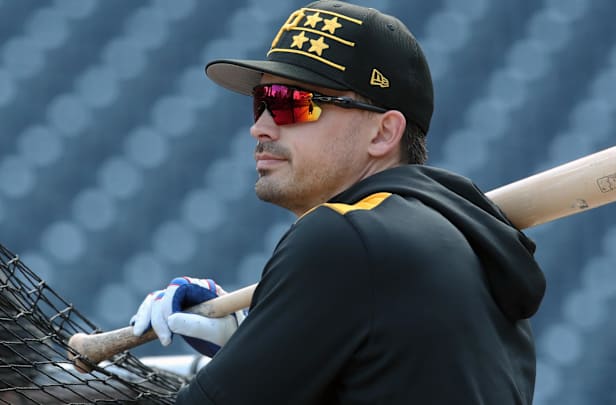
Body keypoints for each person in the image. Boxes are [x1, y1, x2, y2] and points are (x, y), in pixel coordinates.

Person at [130, 1, 546, 403]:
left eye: (291, 105)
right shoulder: (469, 246)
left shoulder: (344, 236)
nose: (260, 127)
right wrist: (259, 340)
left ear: (383, 133)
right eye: (262, 103)